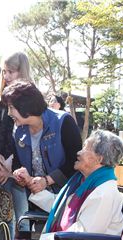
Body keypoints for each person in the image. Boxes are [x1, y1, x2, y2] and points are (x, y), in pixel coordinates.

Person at [7, 81, 82, 227]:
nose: (9, 113)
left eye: (11, 108)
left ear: (25, 107)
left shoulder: (63, 122)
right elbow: (18, 161)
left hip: (66, 199)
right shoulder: (19, 131)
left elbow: (76, 161)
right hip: (36, 200)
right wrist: (20, 176)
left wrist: (46, 181)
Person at [0, 52, 34, 234]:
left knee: (23, 217)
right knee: (0, 217)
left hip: (21, 170)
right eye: (4, 72)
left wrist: (9, 167)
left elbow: (27, 140)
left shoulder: (31, 102)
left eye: (11, 72)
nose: (6, 77)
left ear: (22, 72)